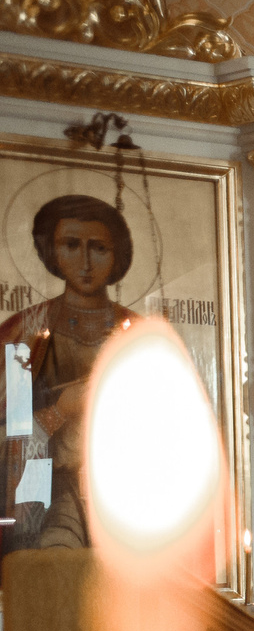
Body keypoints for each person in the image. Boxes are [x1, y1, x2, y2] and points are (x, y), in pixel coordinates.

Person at [4, 195, 138, 550]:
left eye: (98, 248)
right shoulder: (24, 334)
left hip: (129, 496)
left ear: (117, 255)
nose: (85, 262)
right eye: (71, 245)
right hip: (50, 496)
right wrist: (60, 411)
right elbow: (8, 435)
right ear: (52, 252)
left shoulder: (141, 336)